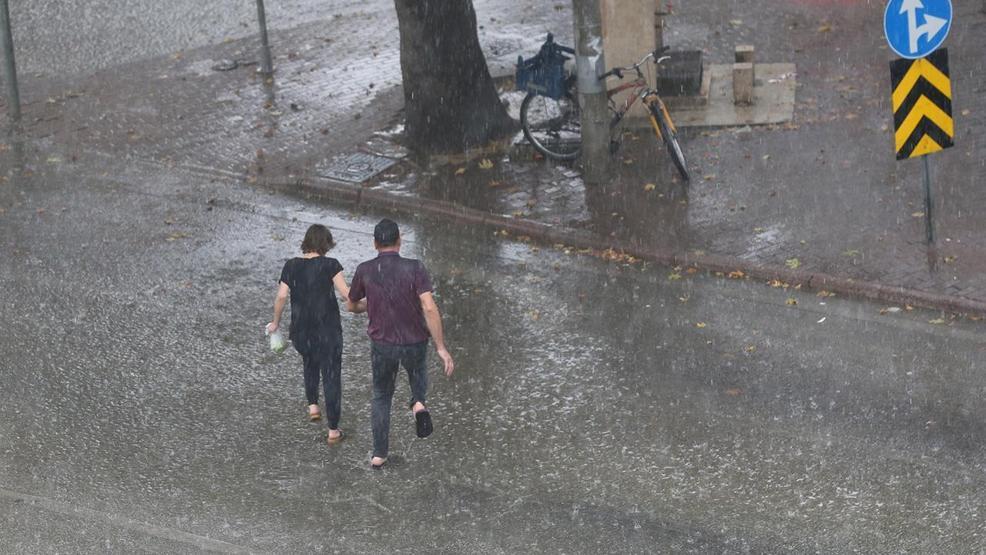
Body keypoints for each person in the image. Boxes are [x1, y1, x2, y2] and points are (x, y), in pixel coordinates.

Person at [347, 219, 454, 469]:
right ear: (399, 241)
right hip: (414, 341)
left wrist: (370, 304)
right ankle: (418, 404)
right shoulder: (415, 268)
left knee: (382, 396)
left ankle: (379, 454)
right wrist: (441, 347)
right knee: (418, 377)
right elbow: (428, 306)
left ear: (375, 243)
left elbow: (352, 305)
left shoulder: (365, 270)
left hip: (382, 344)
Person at [267, 224, 365, 445]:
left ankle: (313, 405)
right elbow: (346, 295)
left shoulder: (291, 266)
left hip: (301, 332)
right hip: (328, 331)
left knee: (309, 363)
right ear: (326, 244)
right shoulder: (330, 265)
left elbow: (281, 296)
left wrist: (275, 322)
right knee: (331, 376)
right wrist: (370, 301)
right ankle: (333, 430)